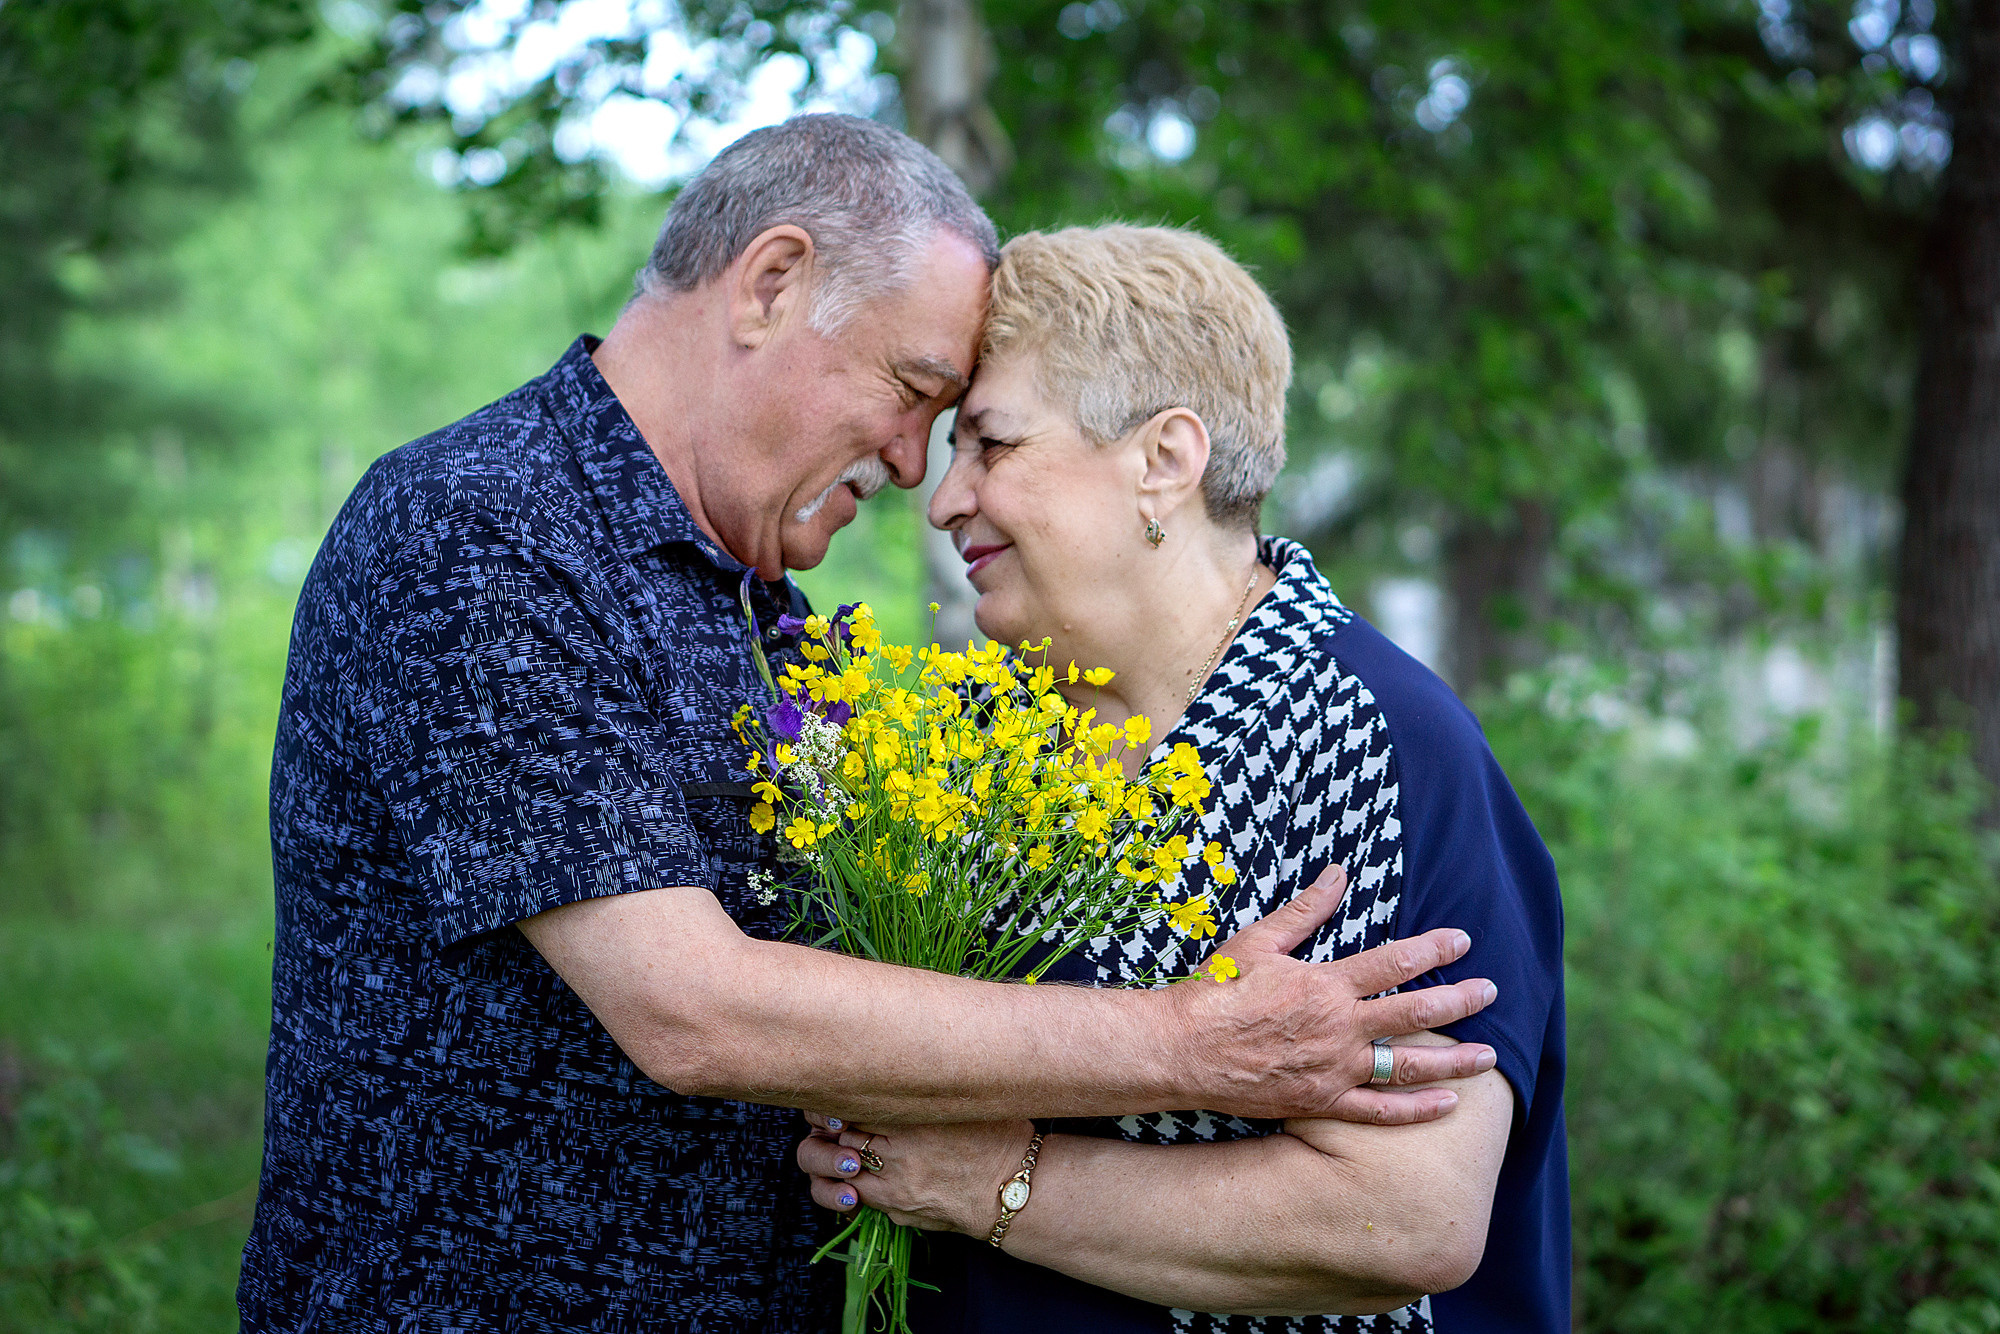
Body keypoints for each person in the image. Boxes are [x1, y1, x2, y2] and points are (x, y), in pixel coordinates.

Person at [238, 117, 1501, 1333]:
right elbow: (694, 1010)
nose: (915, 471)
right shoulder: (487, 532)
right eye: (912, 391)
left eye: (968, 429)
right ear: (770, 284)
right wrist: (1186, 1041)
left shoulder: (753, 603)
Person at [796, 225, 1568, 1332]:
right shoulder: (968, 737)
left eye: (992, 444)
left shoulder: (1366, 739)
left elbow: (1401, 1219)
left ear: (1165, 456)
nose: (941, 496)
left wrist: (986, 1181)